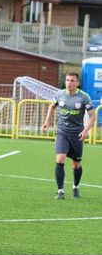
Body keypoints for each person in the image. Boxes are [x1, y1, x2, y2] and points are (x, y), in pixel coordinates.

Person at [42, 72, 95, 200]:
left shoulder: (84, 97)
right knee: (60, 159)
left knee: (76, 164)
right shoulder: (59, 94)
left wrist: (85, 131)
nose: (69, 83)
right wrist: (47, 121)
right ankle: (60, 191)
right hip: (62, 132)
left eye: (72, 80)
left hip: (77, 134)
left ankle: (75, 187)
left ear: (77, 83)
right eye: (67, 80)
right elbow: (52, 106)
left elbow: (93, 116)